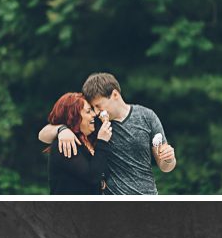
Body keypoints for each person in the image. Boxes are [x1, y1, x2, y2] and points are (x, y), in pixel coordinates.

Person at [38, 72, 176, 195]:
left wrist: (168, 158)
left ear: (115, 95)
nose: (96, 112)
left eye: (98, 106)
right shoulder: (96, 124)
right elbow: (42, 135)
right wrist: (62, 130)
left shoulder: (147, 116)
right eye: (92, 108)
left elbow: (165, 167)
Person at [45, 92, 112, 194]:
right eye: (88, 111)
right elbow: (92, 176)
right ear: (74, 116)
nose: (94, 114)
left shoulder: (88, 139)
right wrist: (102, 141)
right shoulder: (65, 143)